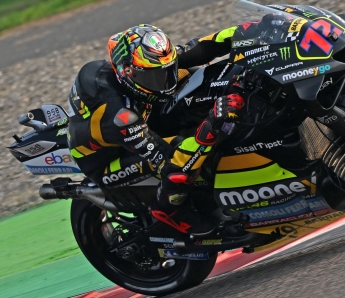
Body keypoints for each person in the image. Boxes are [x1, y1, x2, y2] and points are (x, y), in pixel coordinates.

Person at [67, 24, 245, 236]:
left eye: (167, 73)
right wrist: (211, 124)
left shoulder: (147, 64)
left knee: (198, 80)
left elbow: (202, 47)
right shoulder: (122, 117)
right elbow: (171, 162)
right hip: (107, 160)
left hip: (142, 118)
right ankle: (169, 212)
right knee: (183, 157)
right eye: (154, 78)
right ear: (127, 72)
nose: (165, 84)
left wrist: (253, 30)